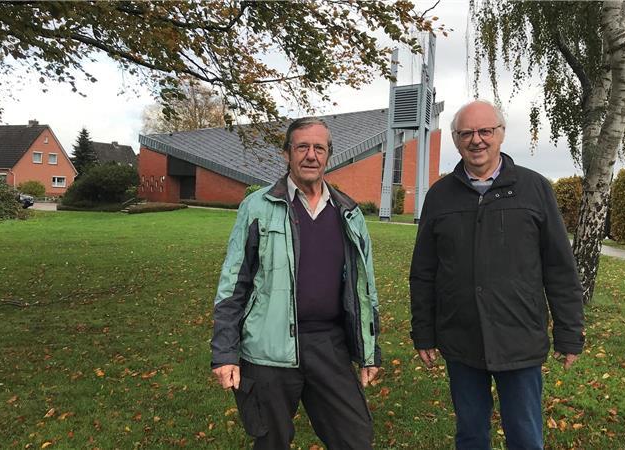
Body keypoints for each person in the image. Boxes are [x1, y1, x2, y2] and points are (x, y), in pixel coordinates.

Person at [409, 100, 585, 450]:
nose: (477, 140)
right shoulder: (440, 196)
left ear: (500, 135)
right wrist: (423, 333)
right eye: (466, 133)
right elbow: (424, 271)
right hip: (461, 339)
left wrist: (569, 331)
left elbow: (560, 268)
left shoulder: (534, 189)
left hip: (518, 337)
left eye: (485, 131)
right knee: (471, 435)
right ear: (457, 140)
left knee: (525, 437)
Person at [210, 117, 380, 449]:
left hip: (328, 346)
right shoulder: (257, 207)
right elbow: (233, 282)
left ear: (329, 154)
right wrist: (225, 352)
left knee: (356, 438)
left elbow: (365, 288)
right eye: (302, 147)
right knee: (271, 442)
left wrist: (369, 352)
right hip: (267, 349)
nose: (311, 155)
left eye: (319, 148)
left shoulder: (348, 212)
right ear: (287, 152)